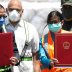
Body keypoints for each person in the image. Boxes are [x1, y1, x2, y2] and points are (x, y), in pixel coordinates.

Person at [5, 0, 40, 72]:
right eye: (11, 9)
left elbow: (36, 55)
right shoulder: (2, 27)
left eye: (18, 10)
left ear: (22, 11)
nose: (14, 12)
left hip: (25, 69)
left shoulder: (31, 29)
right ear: (6, 10)